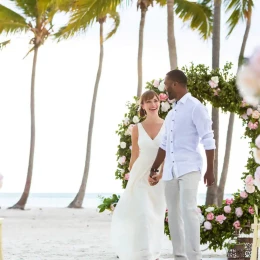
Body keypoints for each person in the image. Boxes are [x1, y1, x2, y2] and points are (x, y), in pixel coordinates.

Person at [149, 69, 216, 260]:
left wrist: (210, 170)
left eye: (167, 84)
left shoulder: (195, 107)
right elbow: (164, 145)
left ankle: (195, 257)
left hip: (189, 168)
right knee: (174, 215)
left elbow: (208, 139)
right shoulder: (171, 114)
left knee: (189, 211)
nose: (165, 88)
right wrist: (155, 168)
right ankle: (179, 256)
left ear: (176, 84)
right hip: (170, 171)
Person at [111, 90, 166, 260]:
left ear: (160, 103)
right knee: (143, 213)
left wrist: (161, 174)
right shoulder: (137, 128)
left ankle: (154, 251)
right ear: (142, 106)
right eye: (148, 101)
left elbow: (170, 153)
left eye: (155, 100)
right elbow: (135, 155)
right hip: (140, 175)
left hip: (160, 176)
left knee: (155, 216)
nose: (152, 104)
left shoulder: (168, 125)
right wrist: (130, 175)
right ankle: (144, 254)